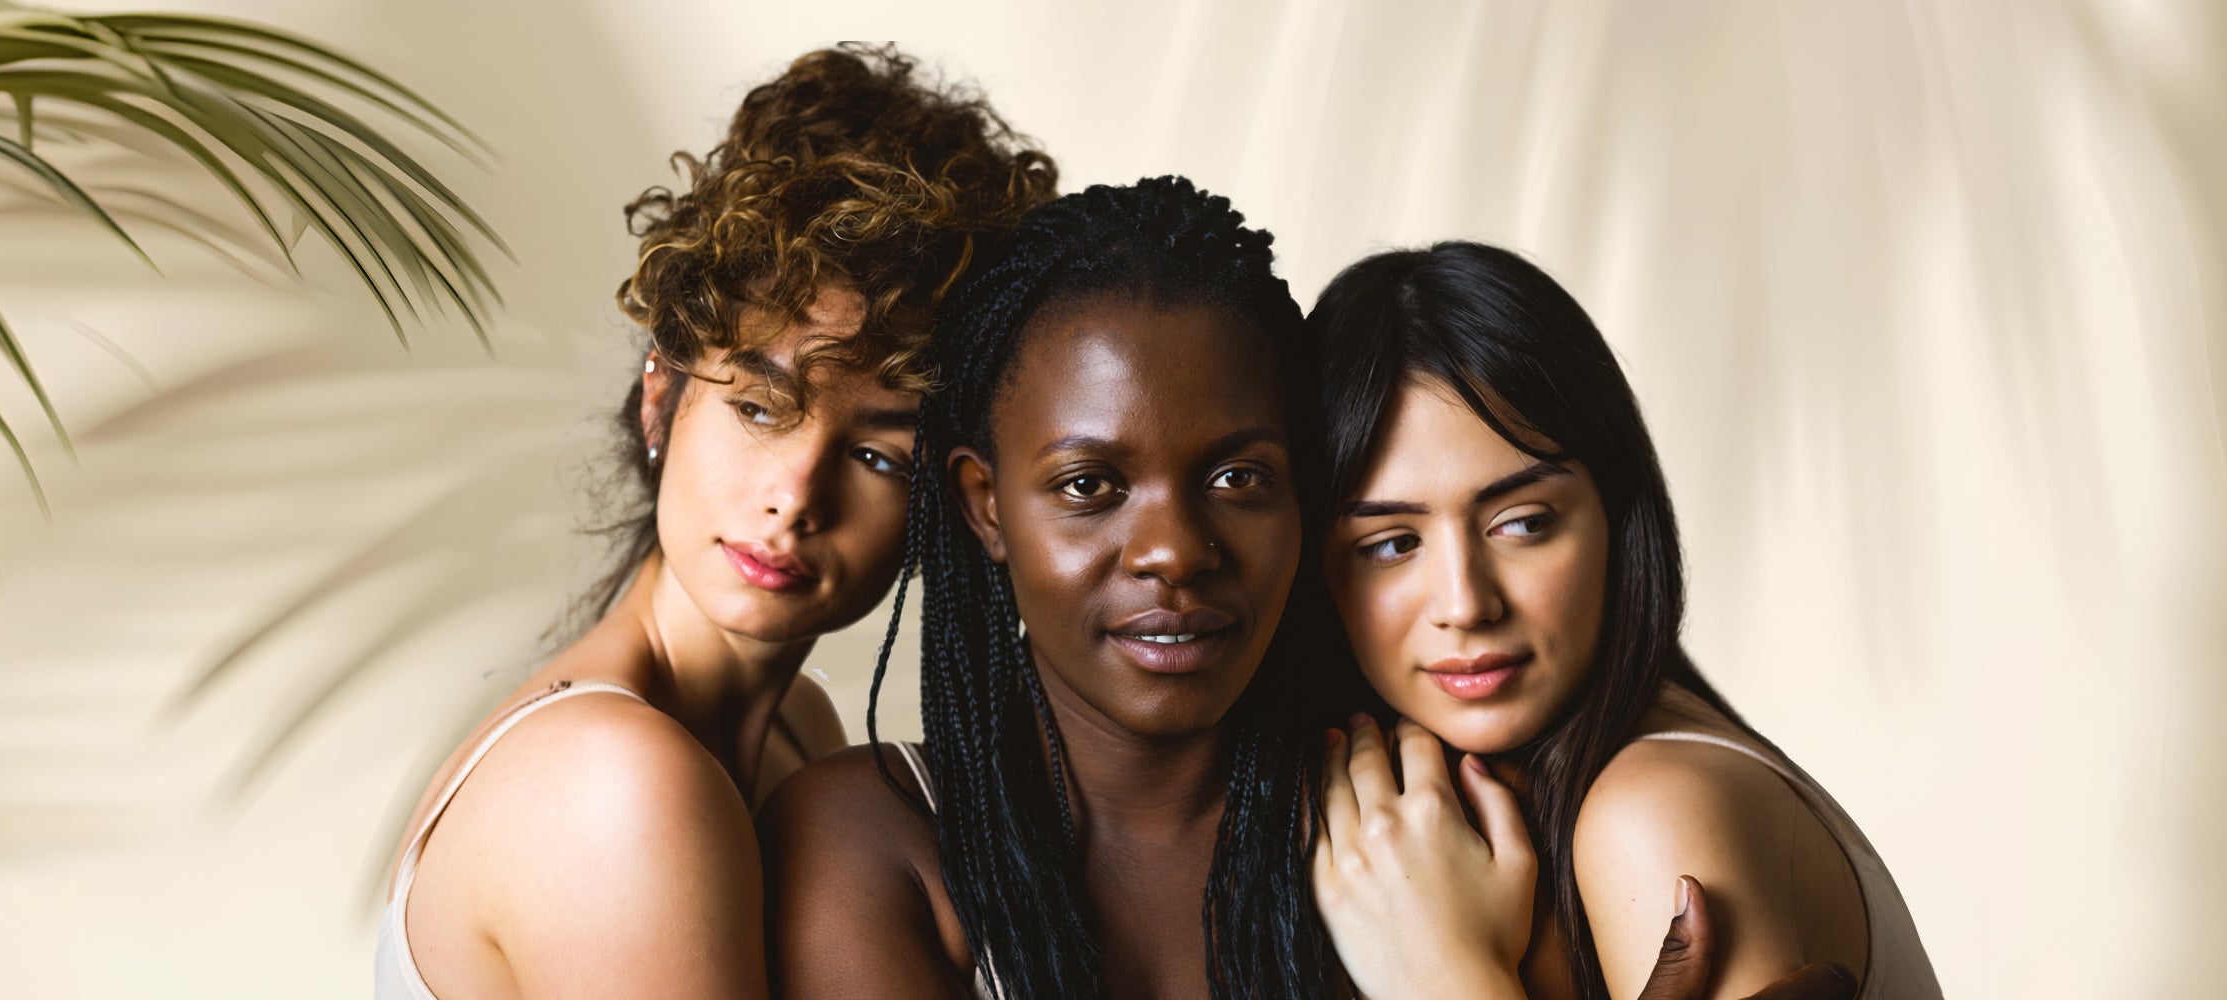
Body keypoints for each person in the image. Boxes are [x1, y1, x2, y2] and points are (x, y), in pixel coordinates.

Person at [762, 180, 1861, 1000]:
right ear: (985, 505)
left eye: (1240, 477)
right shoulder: (872, 843)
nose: (1174, 552)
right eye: (1091, 484)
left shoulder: (1438, 836)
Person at [371, 44, 1056, 1000]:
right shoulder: (614, 787)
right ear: (662, 398)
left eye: (878, 456)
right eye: (760, 408)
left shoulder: (797, 732)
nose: (796, 496)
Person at [1307, 242, 1939, 999]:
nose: (1465, 604)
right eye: (1391, 544)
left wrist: (1446, 975)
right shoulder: (1404, 836)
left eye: (1522, 523)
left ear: (1615, 515)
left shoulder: (1652, 815)